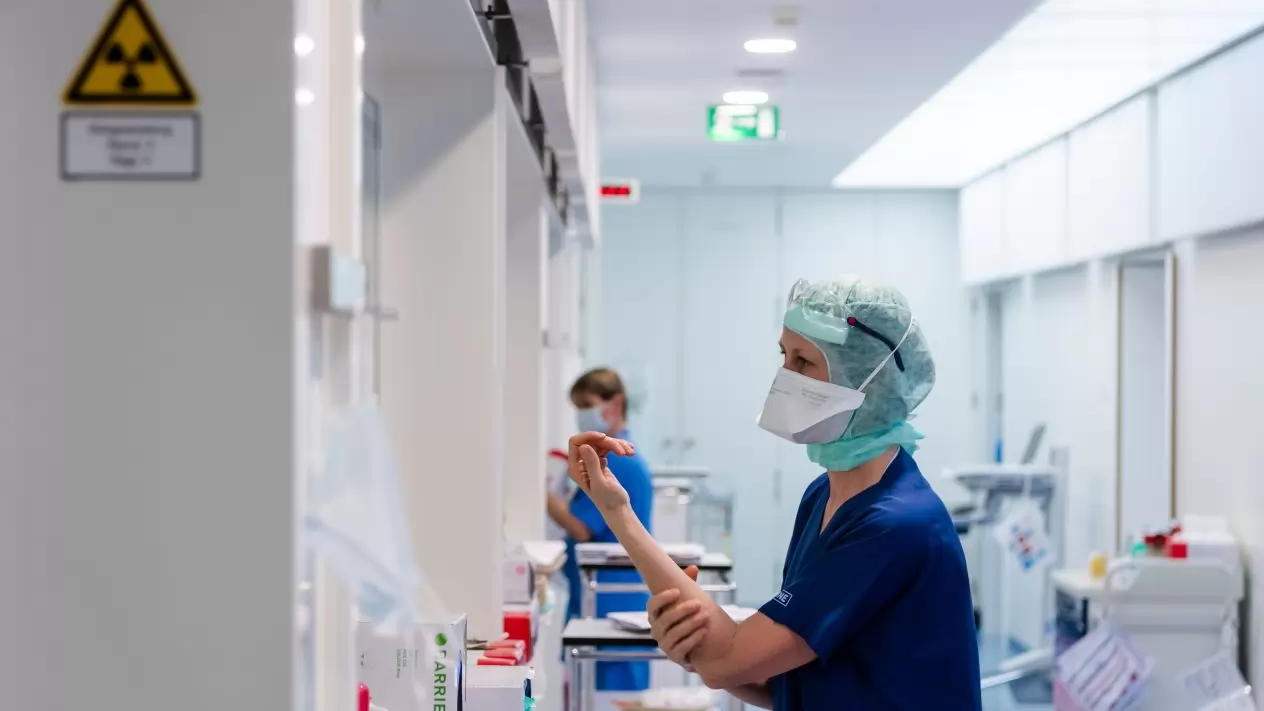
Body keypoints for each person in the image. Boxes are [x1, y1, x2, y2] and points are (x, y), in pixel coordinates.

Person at [566, 276, 981, 710]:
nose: (785, 377)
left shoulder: (894, 524)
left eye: (804, 361)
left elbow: (728, 658)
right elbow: (784, 683)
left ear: (865, 380)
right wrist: (694, 648)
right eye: (784, 356)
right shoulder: (822, 497)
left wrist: (619, 514)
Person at [546, 367, 655, 692]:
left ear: (615, 403)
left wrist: (540, 493)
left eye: (587, 406)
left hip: (612, 603)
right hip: (604, 599)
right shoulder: (620, 458)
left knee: (611, 697)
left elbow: (581, 528)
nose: (582, 415)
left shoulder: (617, 461)